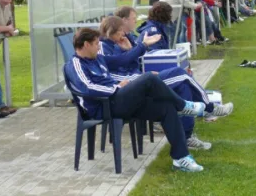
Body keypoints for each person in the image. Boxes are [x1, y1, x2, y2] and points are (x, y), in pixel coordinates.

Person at [64, 27, 206, 172]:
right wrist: (116, 87)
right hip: (103, 107)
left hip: (118, 101)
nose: (99, 47)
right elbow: (87, 87)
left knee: (167, 108)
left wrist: (136, 48)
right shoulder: (74, 64)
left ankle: (181, 158)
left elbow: (122, 60)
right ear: (86, 45)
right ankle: (183, 106)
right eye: (96, 44)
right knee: (148, 78)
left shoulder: (98, 58)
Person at [106, 11, 234, 149]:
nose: (135, 21)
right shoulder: (105, 47)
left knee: (184, 86)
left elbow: (132, 65)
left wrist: (131, 51)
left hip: (141, 81)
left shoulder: (125, 39)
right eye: (133, 19)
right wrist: (142, 71)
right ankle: (210, 108)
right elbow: (115, 72)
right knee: (181, 74)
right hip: (135, 88)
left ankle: (187, 137)